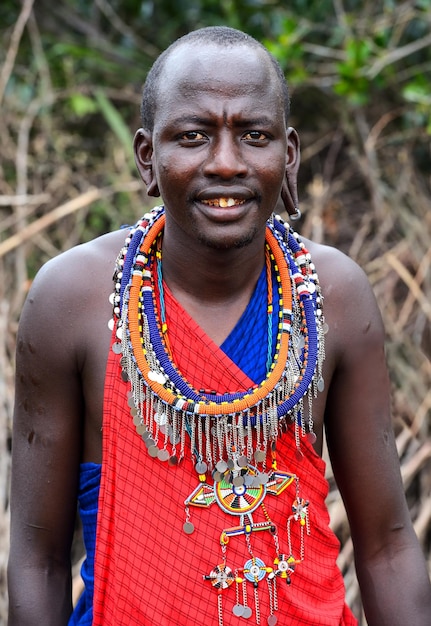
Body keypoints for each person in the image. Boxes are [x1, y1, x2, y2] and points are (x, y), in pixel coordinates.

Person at [7, 26, 431, 626]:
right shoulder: (71, 300)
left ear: (288, 156)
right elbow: (36, 559)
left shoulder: (332, 296)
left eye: (253, 136)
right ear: (148, 157)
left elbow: (387, 545)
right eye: (193, 136)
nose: (226, 163)